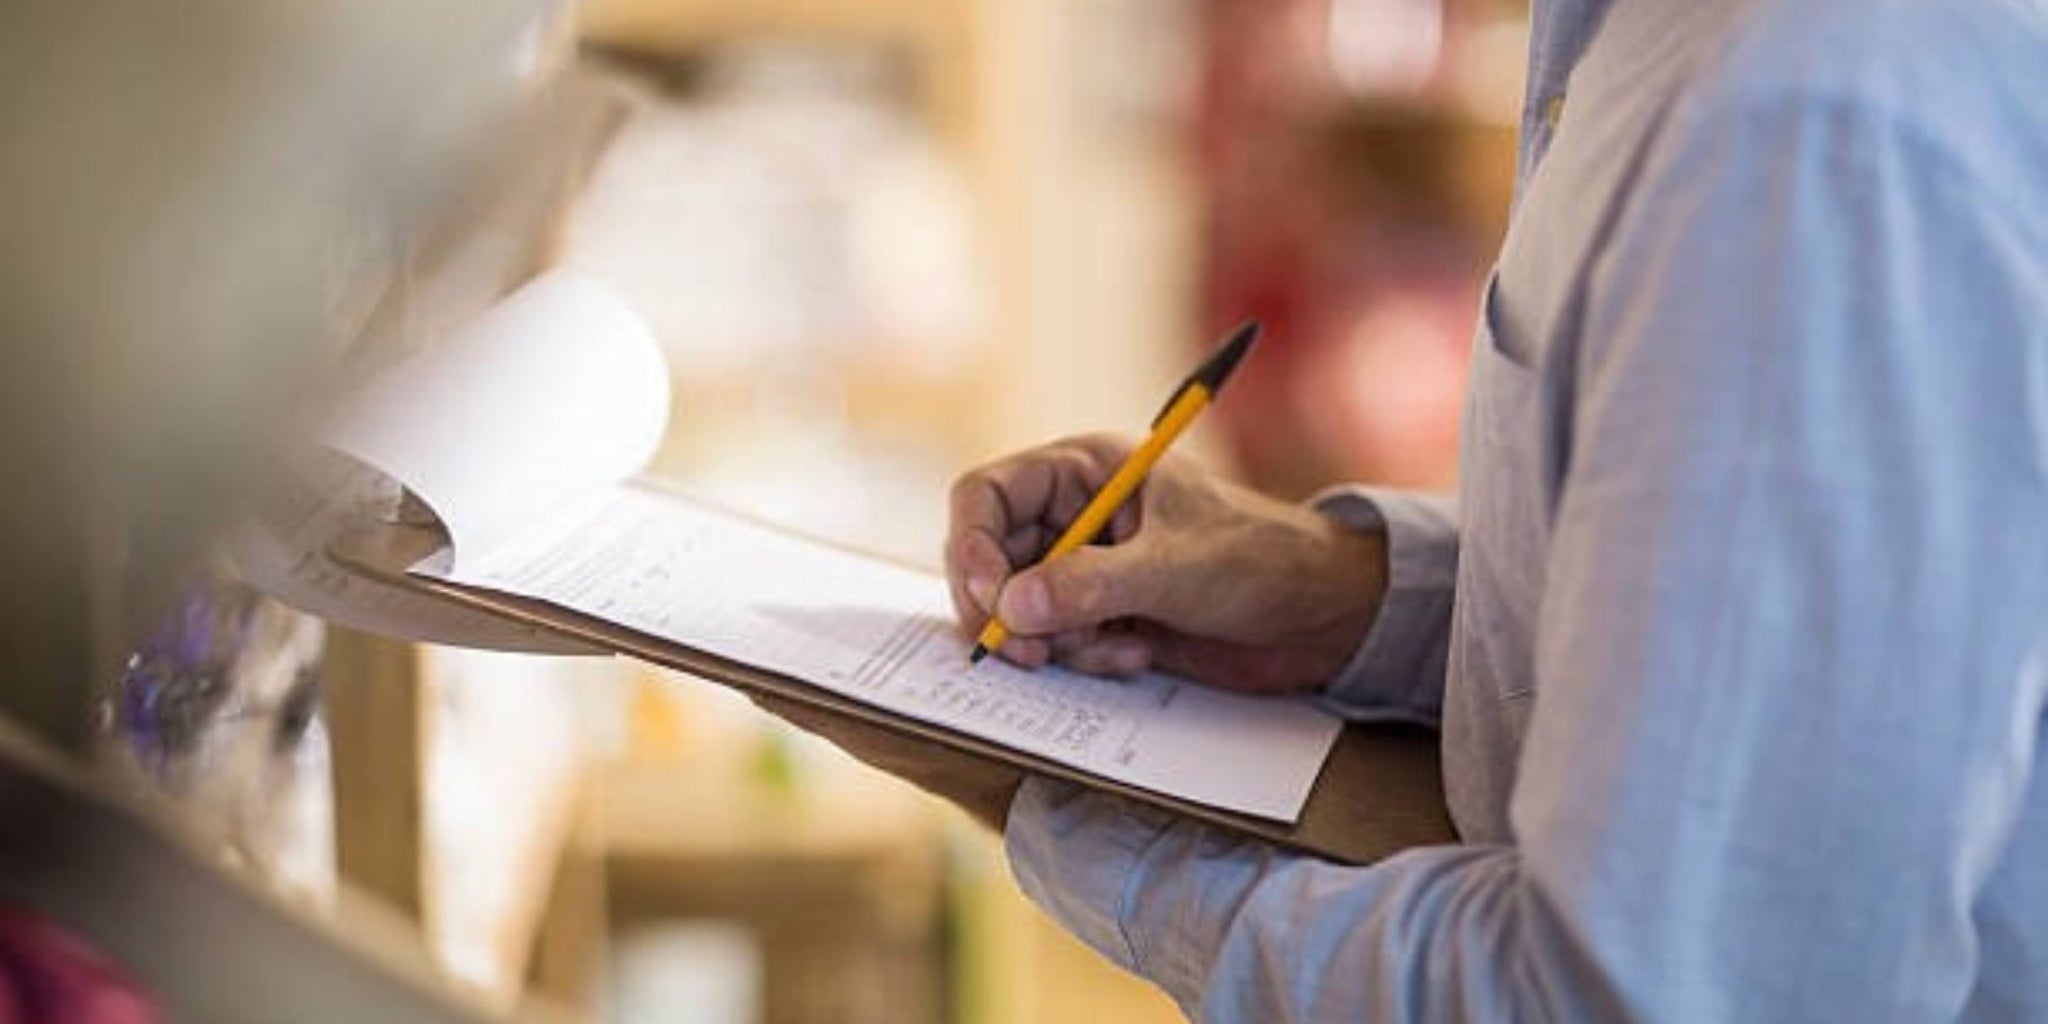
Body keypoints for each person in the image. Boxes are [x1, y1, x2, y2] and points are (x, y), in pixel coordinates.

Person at [767, 0, 2048, 1018]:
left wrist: (1064, 815)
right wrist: (1347, 592)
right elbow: (1736, 651)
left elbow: (1653, 997)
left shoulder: (1819, 118)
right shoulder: (1652, 46)